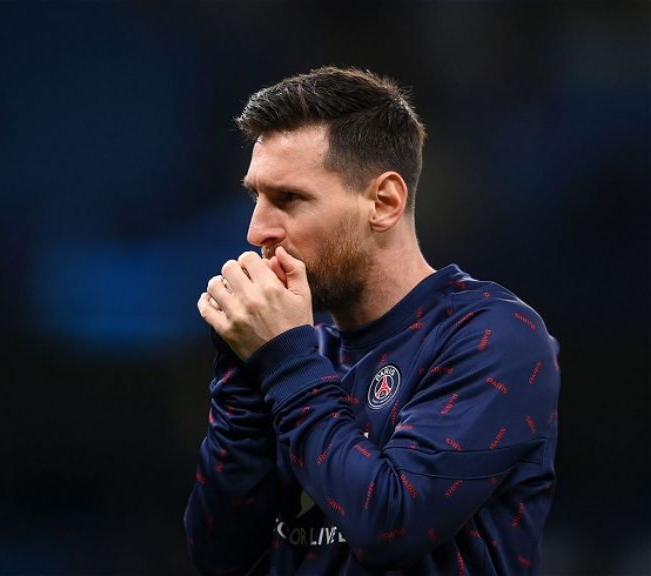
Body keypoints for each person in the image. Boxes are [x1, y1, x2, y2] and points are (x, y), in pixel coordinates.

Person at [184, 66, 560, 576]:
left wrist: (284, 363)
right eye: (257, 197)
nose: (257, 230)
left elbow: (390, 527)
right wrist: (240, 375)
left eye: (289, 198)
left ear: (383, 203)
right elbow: (221, 558)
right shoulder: (294, 351)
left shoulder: (494, 336)